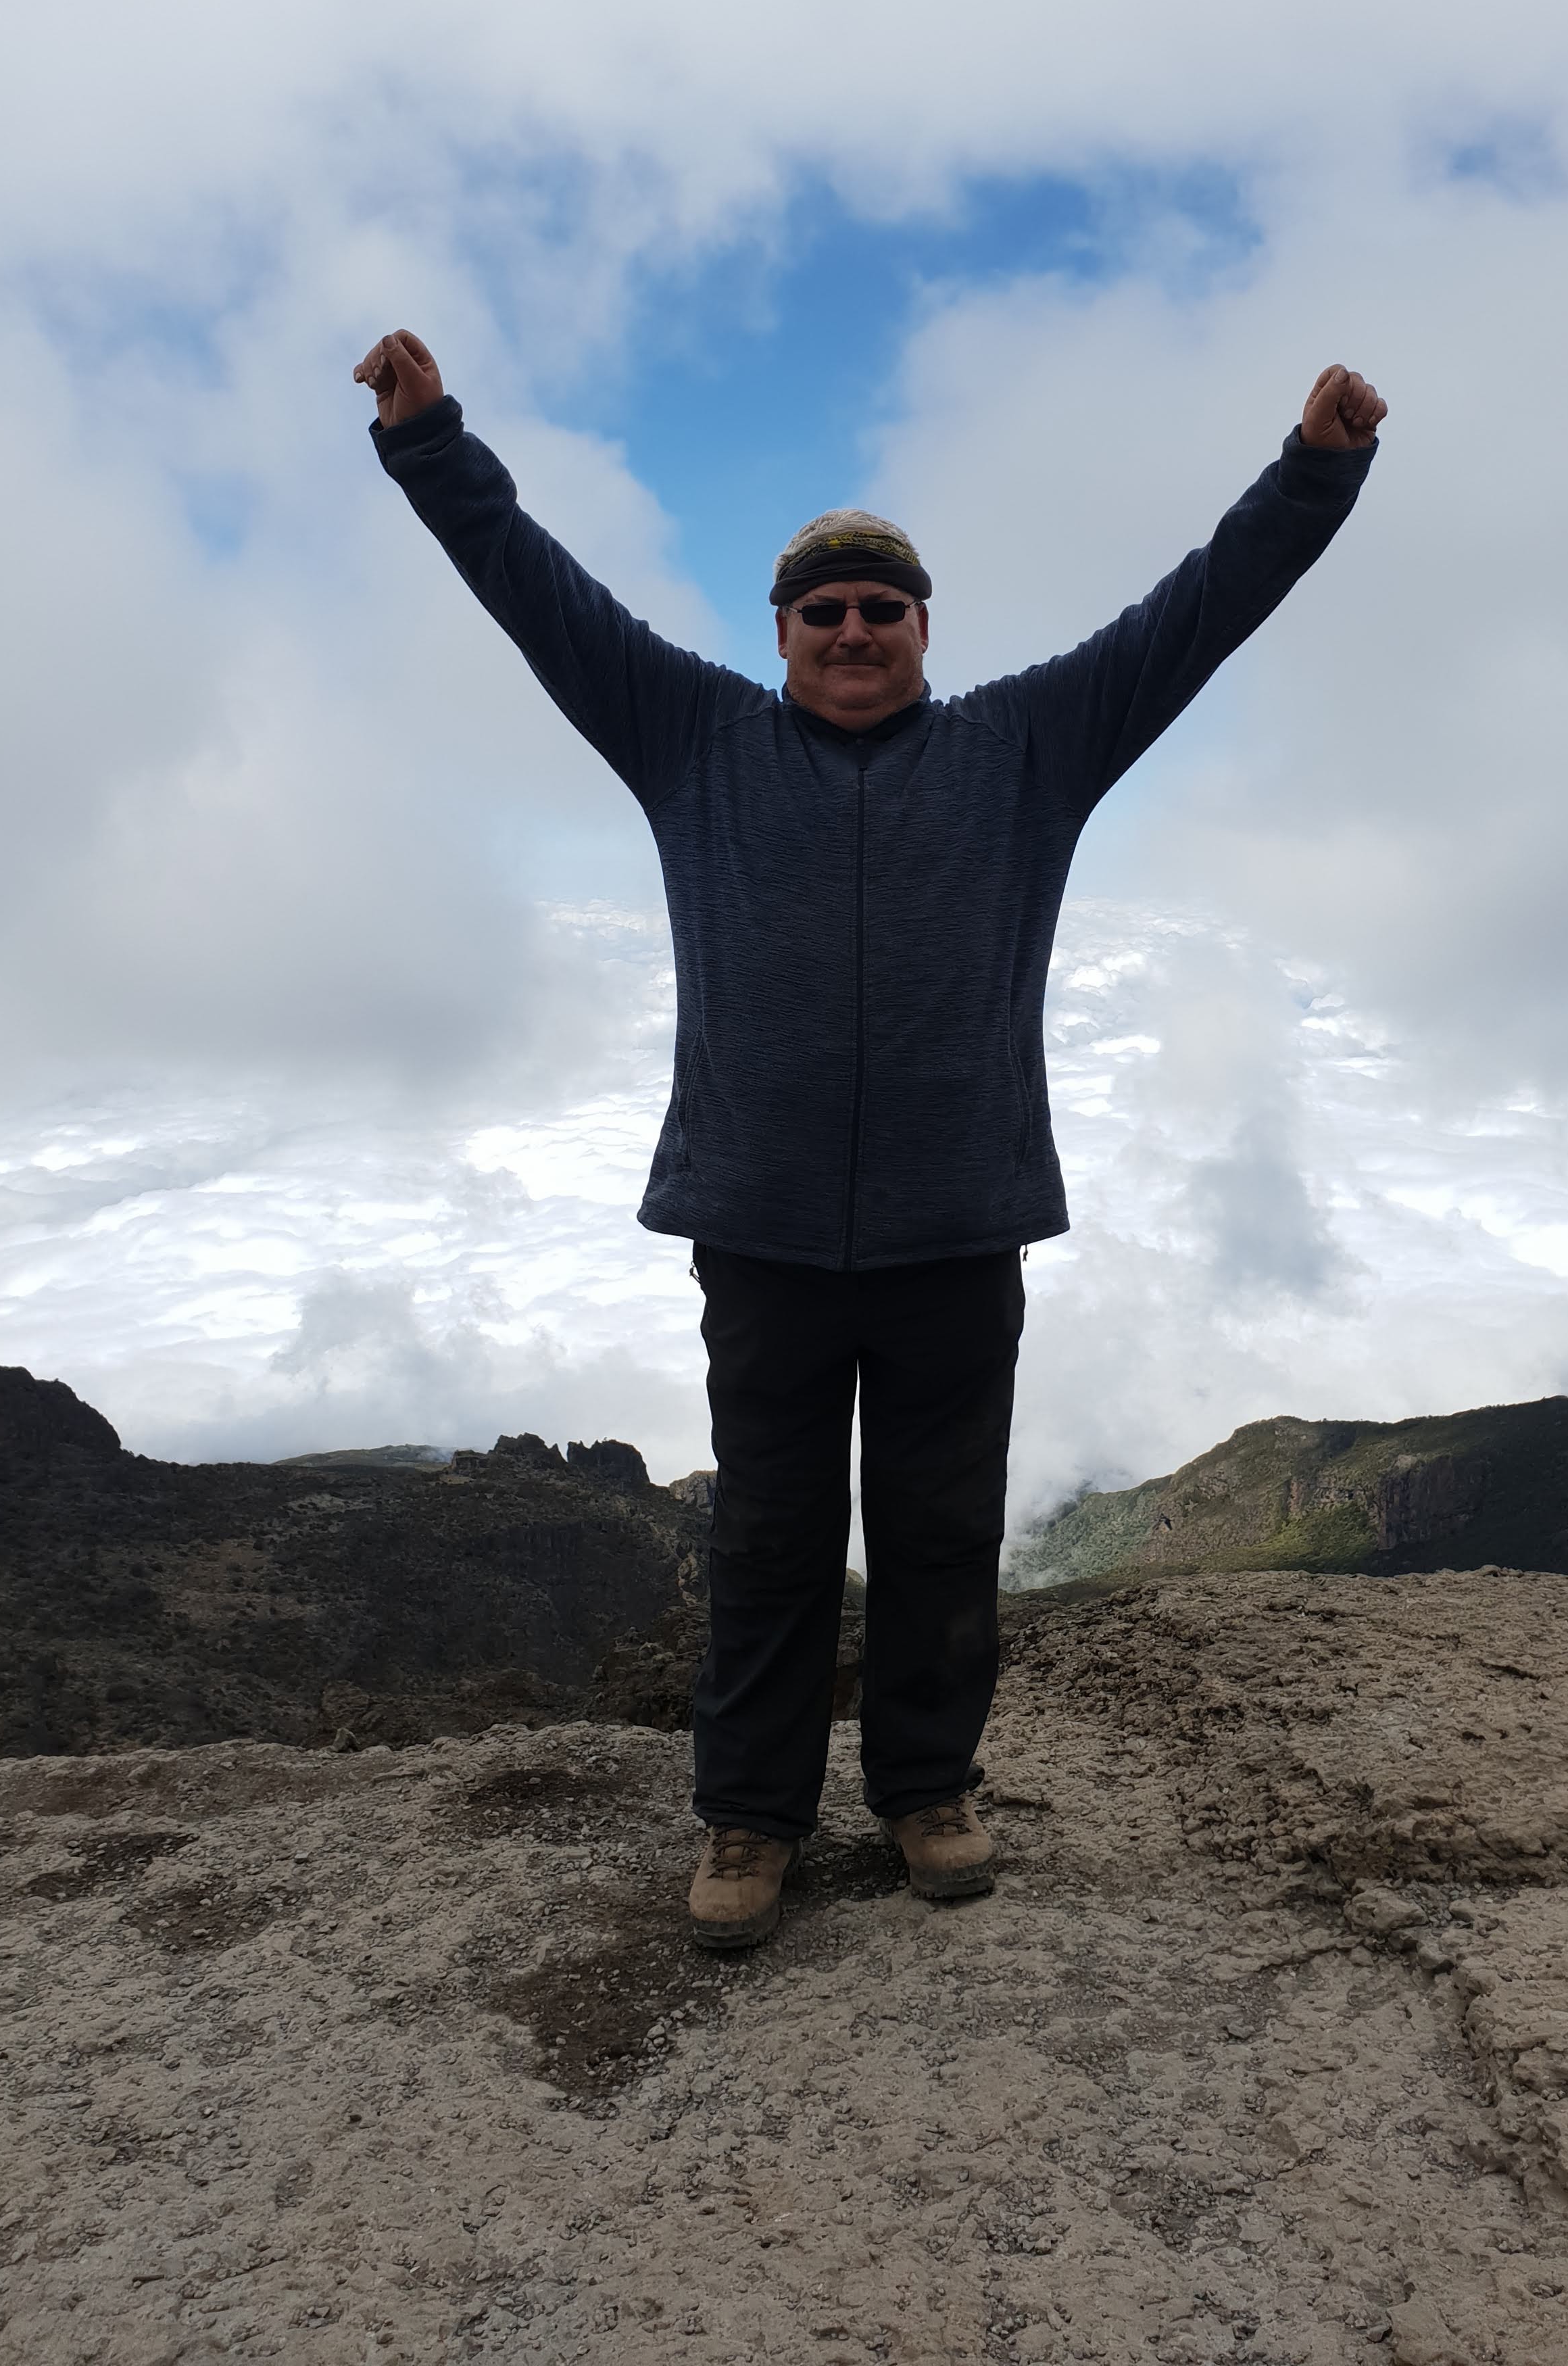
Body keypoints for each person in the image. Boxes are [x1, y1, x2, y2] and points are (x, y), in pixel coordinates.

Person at [355, 327, 1384, 1947]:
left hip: (956, 1225)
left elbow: (1197, 615)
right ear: (781, 635)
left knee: (937, 1529)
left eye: (880, 610)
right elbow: (531, 589)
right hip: (759, 1226)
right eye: (823, 612)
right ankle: (751, 1823)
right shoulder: (693, 738)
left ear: (921, 631)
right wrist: (430, 444)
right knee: (768, 1532)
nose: (852, 631)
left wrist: (1315, 474)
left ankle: (926, 1792)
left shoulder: (1025, 748)